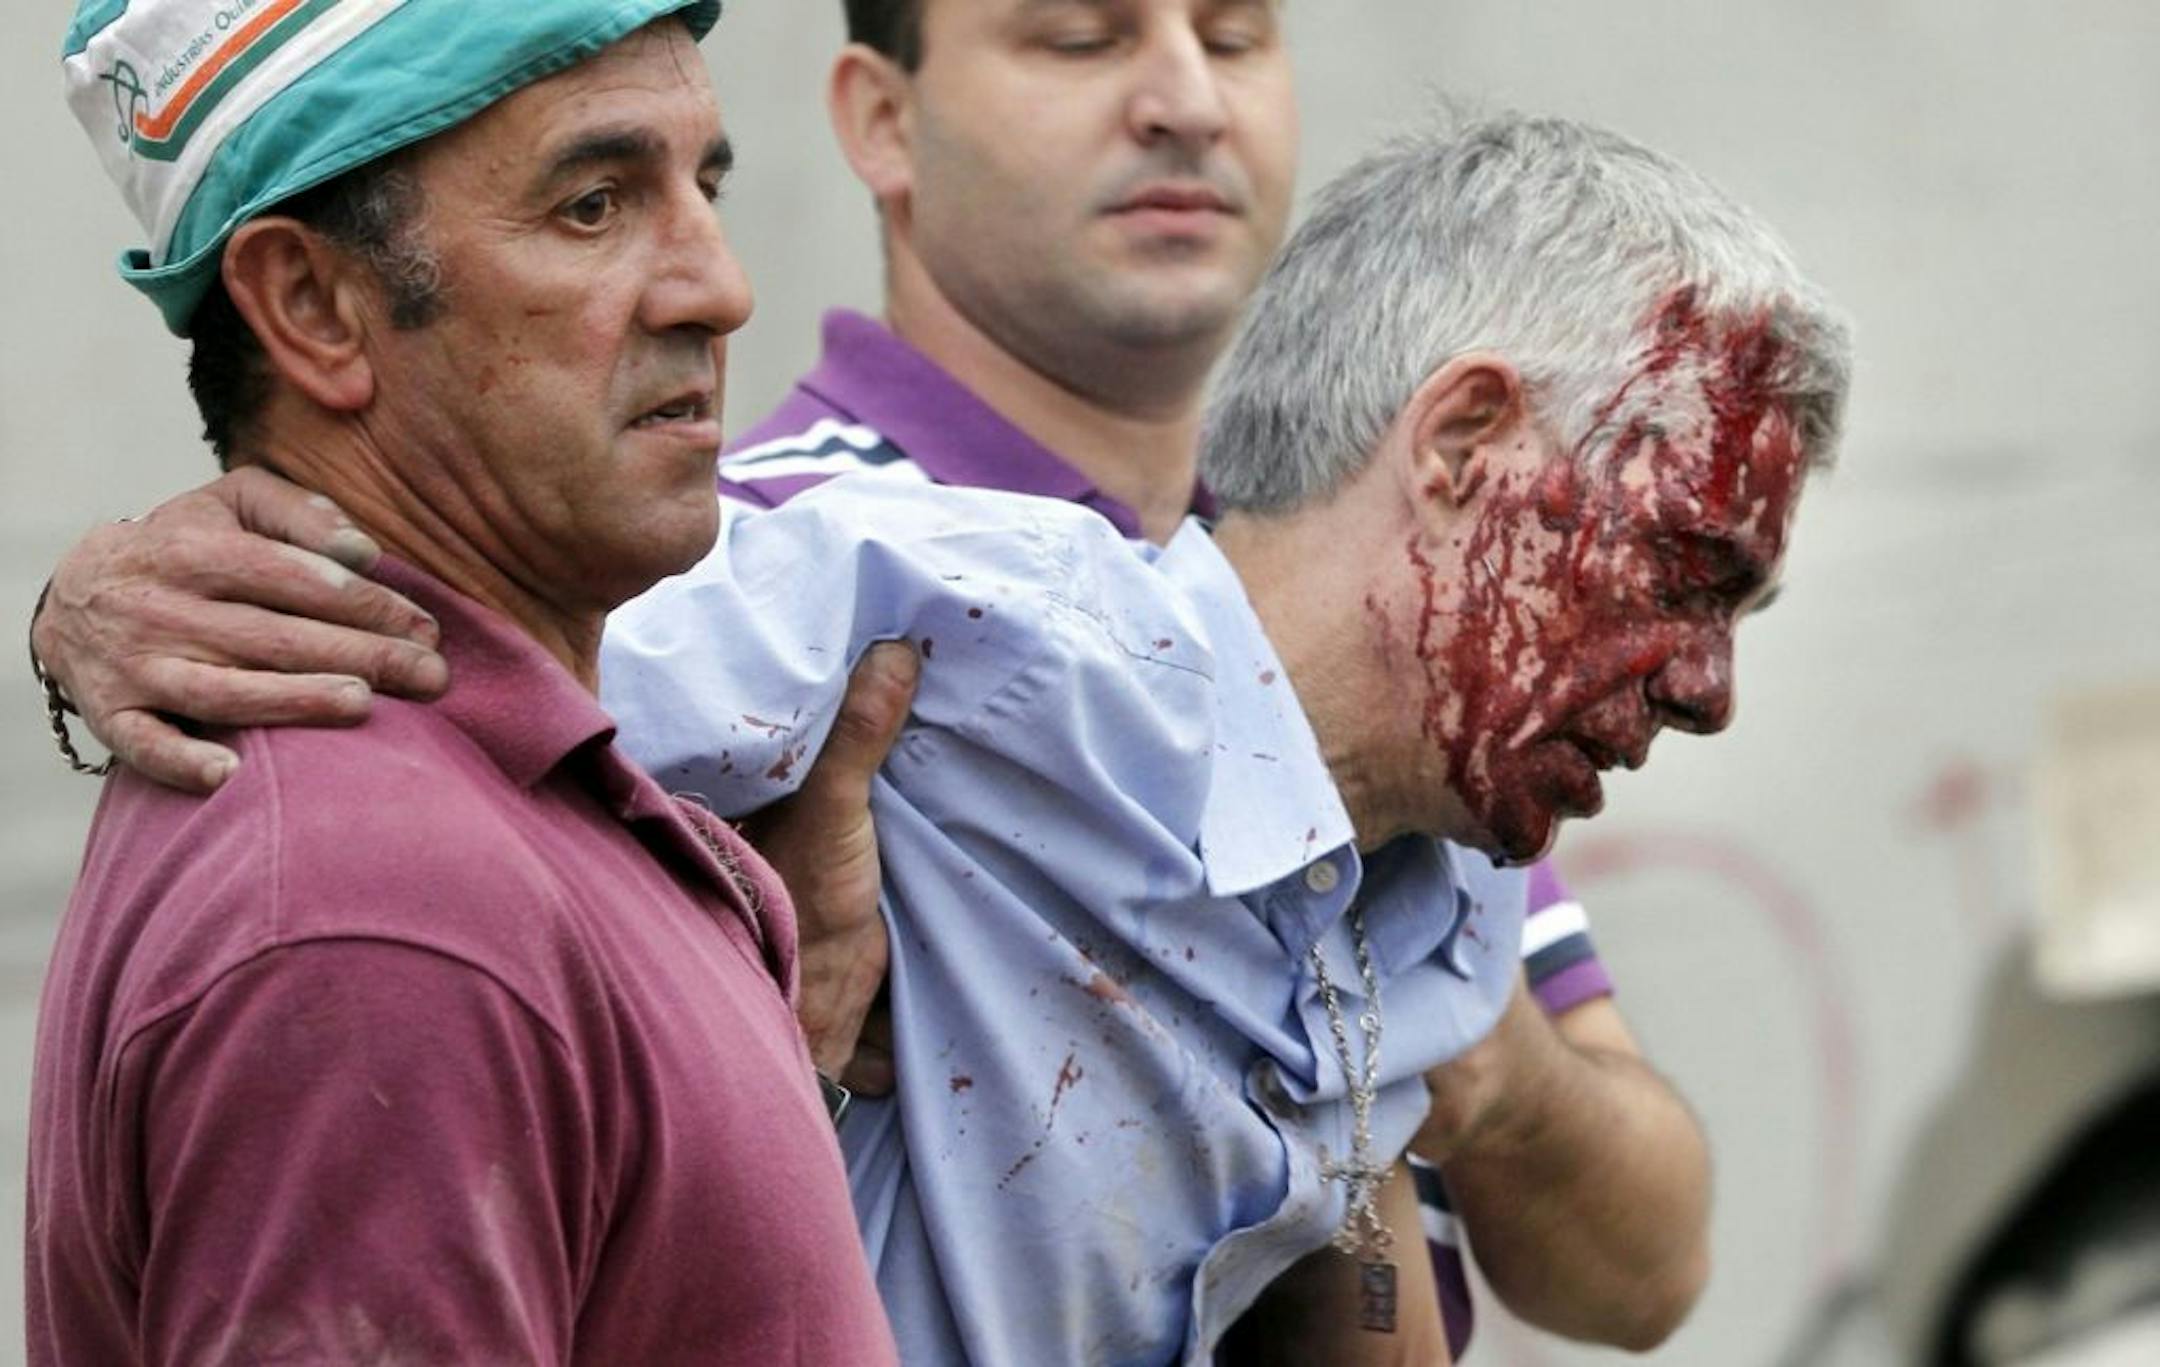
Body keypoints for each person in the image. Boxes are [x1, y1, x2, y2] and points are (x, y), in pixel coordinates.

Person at [29, 2, 1714, 1352]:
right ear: (881, 121)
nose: (1187, 101)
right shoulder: (741, 600)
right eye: (1079, 36)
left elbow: (1644, 1262)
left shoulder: (1373, 630)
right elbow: (389, 840)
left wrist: (1371, 1001)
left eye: (1236, 30)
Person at [603, 112, 1850, 1363]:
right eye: (1681, 570)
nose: (1710, 690)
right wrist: (706, 951)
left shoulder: (1459, 912)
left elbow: (1637, 1276)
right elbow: (496, 734)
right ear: (1463, 439)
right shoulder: (951, 616)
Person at [28, 3, 897, 1363]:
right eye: (593, 204)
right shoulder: (374, 910)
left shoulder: (461, 814)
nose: (719, 288)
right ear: (313, 306)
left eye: (704, 187)